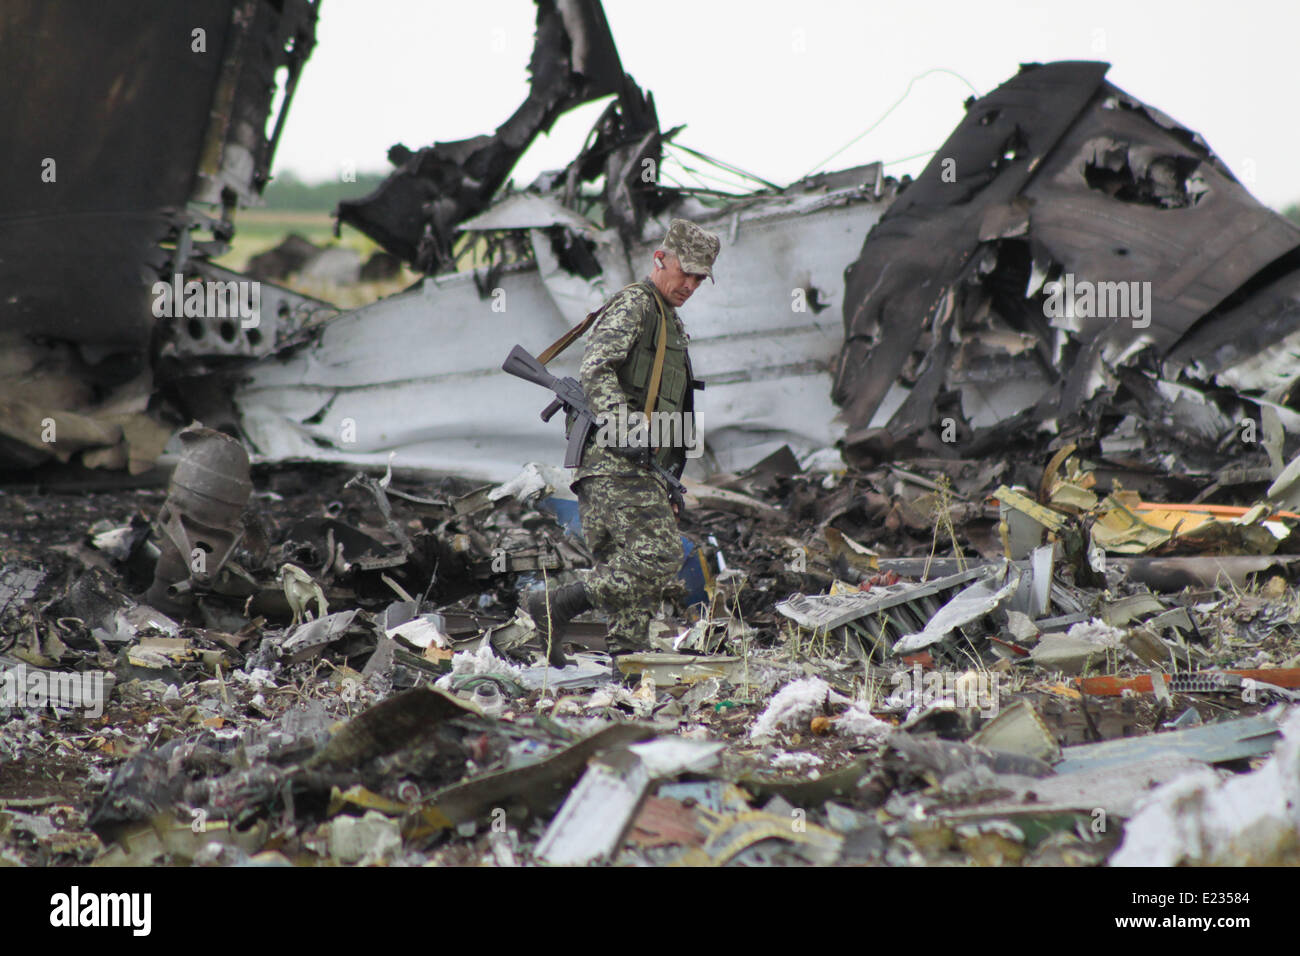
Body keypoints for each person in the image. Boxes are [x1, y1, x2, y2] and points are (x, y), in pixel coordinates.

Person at [527, 218, 720, 667]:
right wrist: (627, 426)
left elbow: (670, 401)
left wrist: (670, 481)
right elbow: (596, 368)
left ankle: (627, 666)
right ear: (660, 259)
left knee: (632, 575)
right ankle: (556, 604)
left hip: (641, 464)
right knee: (661, 555)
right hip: (614, 459)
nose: (689, 284)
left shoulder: (669, 319)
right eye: (684, 271)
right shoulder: (637, 303)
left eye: (699, 278)